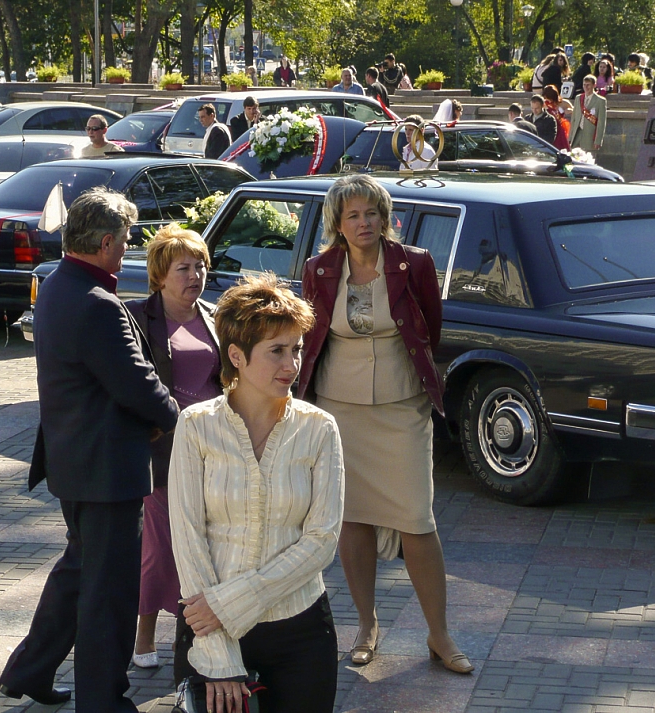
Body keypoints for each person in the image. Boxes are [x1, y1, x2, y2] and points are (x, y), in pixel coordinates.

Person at [0, 187, 180, 712]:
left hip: (78, 462)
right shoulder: (97, 303)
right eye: (125, 240)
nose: (128, 248)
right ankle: (103, 700)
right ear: (104, 243)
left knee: (80, 573)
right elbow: (137, 383)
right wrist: (180, 420)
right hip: (107, 471)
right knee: (109, 594)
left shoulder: (59, 283)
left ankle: (29, 670)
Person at [299, 174, 472, 675]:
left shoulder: (413, 263)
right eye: (353, 215)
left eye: (371, 213)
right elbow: (312, 335)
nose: (364, 222)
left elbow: (428, 329)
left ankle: (439, 634)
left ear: (385, 217)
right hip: (340, 407)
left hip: (402, 406)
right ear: (337, 223)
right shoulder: (319, 269)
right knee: (352, 518)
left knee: (417, 520)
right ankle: (366, 625)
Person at [170, 273, 344, 713]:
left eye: (296, 349)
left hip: (301, 631)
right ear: (237, 356)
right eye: (276, 351)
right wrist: (218, 654)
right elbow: (188, 540)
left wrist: (229, 602)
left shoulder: (319, 429)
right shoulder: (195, 426)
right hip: (210, 631)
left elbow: (322, 541)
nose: (292, 365)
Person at [125, 224, 221, 670]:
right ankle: (143, 638)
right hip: (162, 451)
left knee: (208, 546)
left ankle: (200, 635)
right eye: (183, 268)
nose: (195, 275)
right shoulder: (137, 317)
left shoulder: (216, 316)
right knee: (162, 549)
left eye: (200, 266)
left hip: (214, 448)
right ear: (160, 275)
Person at [569, 75, 606, 153]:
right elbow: (573, 119)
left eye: (588, 85)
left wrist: (598, 140)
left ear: (594, 85)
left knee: (589, 159)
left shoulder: (600, 101)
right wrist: (570, 137)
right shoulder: (578, 98)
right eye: (584, 85)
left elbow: (601, 123)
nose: (586, 87)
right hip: (577, 135)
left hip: (590, 136)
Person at [542, 85, 571, 150]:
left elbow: (574, 111)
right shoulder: (544, 104)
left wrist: (569, 111)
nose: (548, 100)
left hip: (560, 130)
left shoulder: (564, 103)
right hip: (550, 129)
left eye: (550, 98)